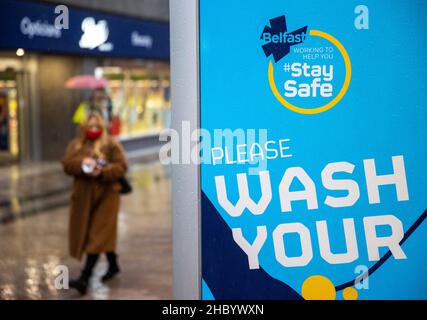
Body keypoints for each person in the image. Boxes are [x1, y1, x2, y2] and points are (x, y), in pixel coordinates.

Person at [62, 112, 128, 295]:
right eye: (90, 126)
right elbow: (67, 164)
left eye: (96, 126)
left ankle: (84, 278)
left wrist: (103, 171)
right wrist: (83, 164)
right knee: (99, 236)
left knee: (97, 236)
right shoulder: (76, 145)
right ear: (83, 128)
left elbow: (122, 166)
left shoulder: (111, 144)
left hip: (108, 196)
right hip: (84, 198)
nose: (93, 130)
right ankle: (113, 264)